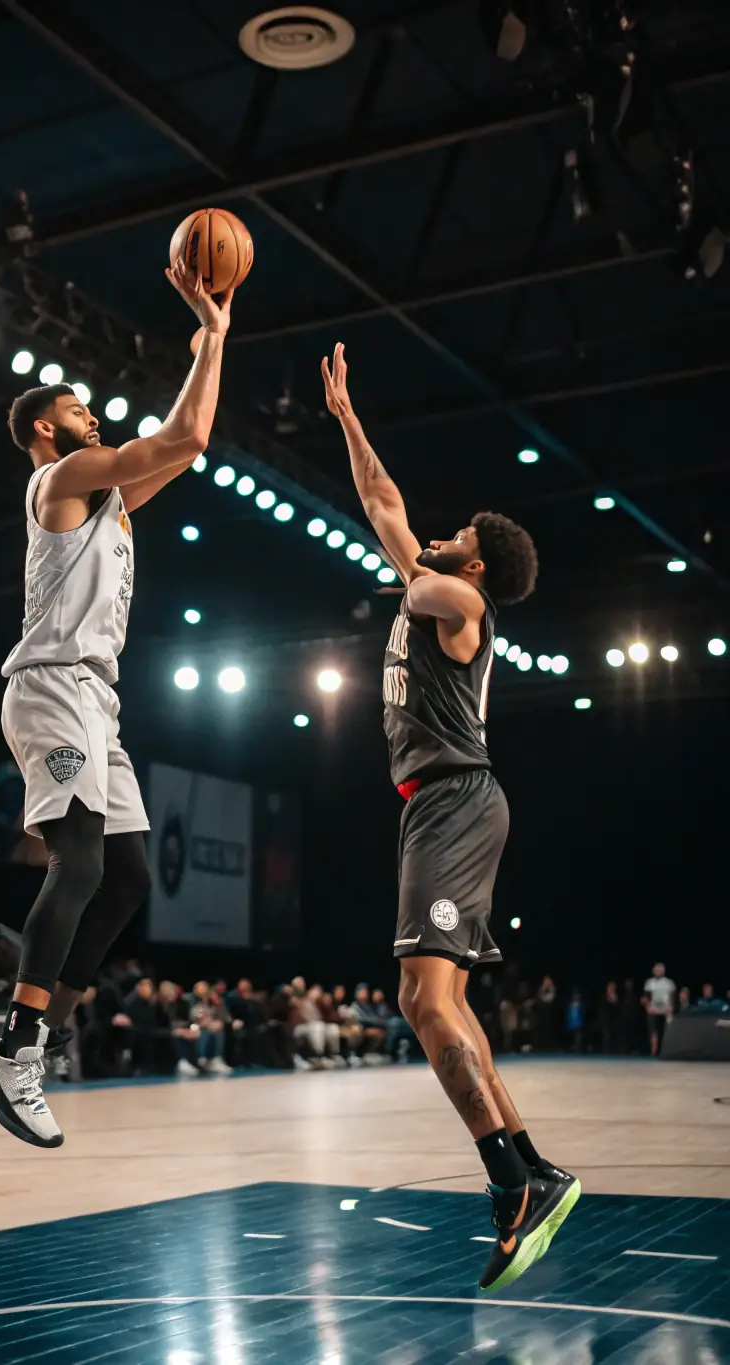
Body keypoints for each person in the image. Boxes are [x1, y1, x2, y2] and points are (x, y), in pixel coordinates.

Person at [321, 341, 578, 1292]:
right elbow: (387, 507)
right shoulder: (441, 586)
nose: (436, 530)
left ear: (474, 559)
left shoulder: (461, 598)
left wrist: (405, 539)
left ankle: (511, 1181)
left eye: (453, 530)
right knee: (445, 1003)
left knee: (423, 1002)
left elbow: (397, 540)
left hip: (458, 800)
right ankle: (531, 1173)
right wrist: (349, 421)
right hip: (443, 803)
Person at [0, 259, 234, 1145]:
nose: (94, 414)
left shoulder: (108, 499)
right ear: (47, 427)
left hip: (97, 702)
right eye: (79, 408)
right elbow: (183, 436)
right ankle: (14, 1050)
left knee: (127, 880)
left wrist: (210, 343)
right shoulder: (60, 480)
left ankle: (40, 1041)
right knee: (75, 865)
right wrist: (214, 337)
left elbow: (188, 442)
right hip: (49, 691)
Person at [642, 962, 676, 1056]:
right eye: (656, 970)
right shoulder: (649, 982)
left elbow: (672, 997)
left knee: (668, 1026)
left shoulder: (669, 982)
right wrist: (646, 1004)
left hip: (666, 1008)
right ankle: (654, 1044)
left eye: (660, 970)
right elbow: (646, 996)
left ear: (663, 971)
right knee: (651, 1025)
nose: (658, 972)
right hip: (653, 1007)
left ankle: (668, 1047)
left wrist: (671, 1008)